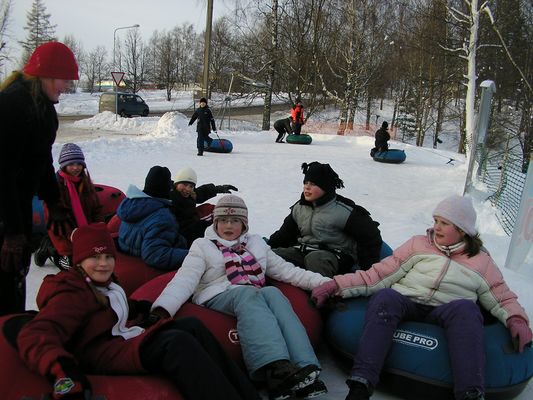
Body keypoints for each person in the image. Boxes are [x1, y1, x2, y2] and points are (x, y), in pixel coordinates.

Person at [311, 195, 533, 400]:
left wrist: (516, 319)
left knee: (468, 310)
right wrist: (335, 285)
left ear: (463, 229)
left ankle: (470, 392)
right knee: (386, 297)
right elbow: (379, 275)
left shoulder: (480, 261)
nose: (436, 227)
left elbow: (501, 296)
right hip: (407, 302)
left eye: (444, 223)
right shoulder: (419, 245)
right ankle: (362, 382)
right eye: (436, 220)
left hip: (446, 310)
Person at [15, 222, 260, 400]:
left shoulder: (105, 283)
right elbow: (36, 333)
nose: (103, 264)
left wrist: (138, 309)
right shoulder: (71, 291)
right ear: (79, 261)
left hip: (120, 339)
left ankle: (246, 392)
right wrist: (63, 373)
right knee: (176, 344)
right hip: (101, 353)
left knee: (191, 325)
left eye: (109, 257)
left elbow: (107, 308)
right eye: (94, 258)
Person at [149, 195, 331, 400]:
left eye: (235, 221)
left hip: (251, 291)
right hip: (215, 294)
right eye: (223, 221)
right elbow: (185, 279)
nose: (228, 226)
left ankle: (306, 367)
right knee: (248, 293)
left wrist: (326, 283)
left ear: (244, 224)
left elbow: (287, 271)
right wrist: (163, 308)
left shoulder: (256, 243)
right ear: (215, 222)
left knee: (273, 293)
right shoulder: (202, 246)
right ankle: (274, 370)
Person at [0, 41, 79, 316]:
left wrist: (53, 199)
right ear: (45, 75)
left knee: (14, 280)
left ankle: (10, 330)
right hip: (5, 210)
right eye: (63, 80)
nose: (66, 87)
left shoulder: (41, 107)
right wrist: (11, 231)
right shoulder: (11, 106)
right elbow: (3, 173)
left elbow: (41, 158)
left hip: (16, 206)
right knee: (5, 282)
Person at [268, 162, 383, 277]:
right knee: (272, 256)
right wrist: (267, 246)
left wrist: (368, 269)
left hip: (335, 255)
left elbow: (370, 235)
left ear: (325, 187)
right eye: (305, 183)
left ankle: (323, 292)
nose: (307, 187)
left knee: (315, 259)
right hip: (303, 251)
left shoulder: (344, 211)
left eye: (313, 184)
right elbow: (285, 234)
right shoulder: (299, 208)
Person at [34, 143, 103, 270]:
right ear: (63, 166)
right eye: (71, 164)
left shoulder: (85, 182)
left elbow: (95, 206)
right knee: (73, 267)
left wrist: (98, 226)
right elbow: (54, 218)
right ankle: (49, 249)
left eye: (79, 164)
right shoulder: (55, 187)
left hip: (84, 231)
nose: (76, 168)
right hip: (62, 232)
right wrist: (72, 236)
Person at [117, 166, 188, 270]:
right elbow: (155, 255)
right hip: (144, 265)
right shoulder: (162, 217)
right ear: (166, 188)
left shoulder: (133, 204)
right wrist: (191, 255)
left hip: (129, 253)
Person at [170, 167, 238, 247]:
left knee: (211, 208)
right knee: (210, 222)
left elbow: (200, 192)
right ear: (177, 183)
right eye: (184, 184)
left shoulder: (188, 194)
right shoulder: (171, 197)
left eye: (191, 186)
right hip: (181, 232)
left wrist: (218, 189)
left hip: (190, 221)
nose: (187, 189)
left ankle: (232, 229)